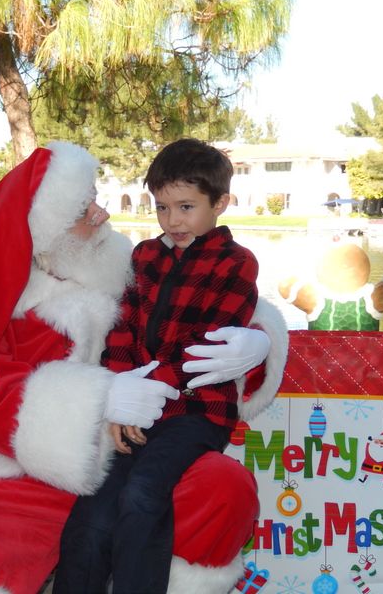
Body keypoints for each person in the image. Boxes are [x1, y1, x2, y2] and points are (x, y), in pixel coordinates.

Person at [0, 141, 288, 594]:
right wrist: (101, 397)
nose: (102, 215)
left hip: (134, 442)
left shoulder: (124, 265)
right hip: (22, 466)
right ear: (44, 227)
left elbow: (201, 314)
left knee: (223, 485)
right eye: (84, 208)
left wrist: (259, 339)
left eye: (97, 199)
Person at [53, 138, 269, 593]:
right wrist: (119, 396)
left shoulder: (236, 264)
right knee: (92, 514)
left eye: (186, 206)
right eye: (162, 208)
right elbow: (123, 327)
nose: (173, 221)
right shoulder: (145, 256)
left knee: (143, 494)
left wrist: (147, 389)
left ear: (221, 203)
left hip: (197, 411)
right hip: (138, 406)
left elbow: (206, 346)